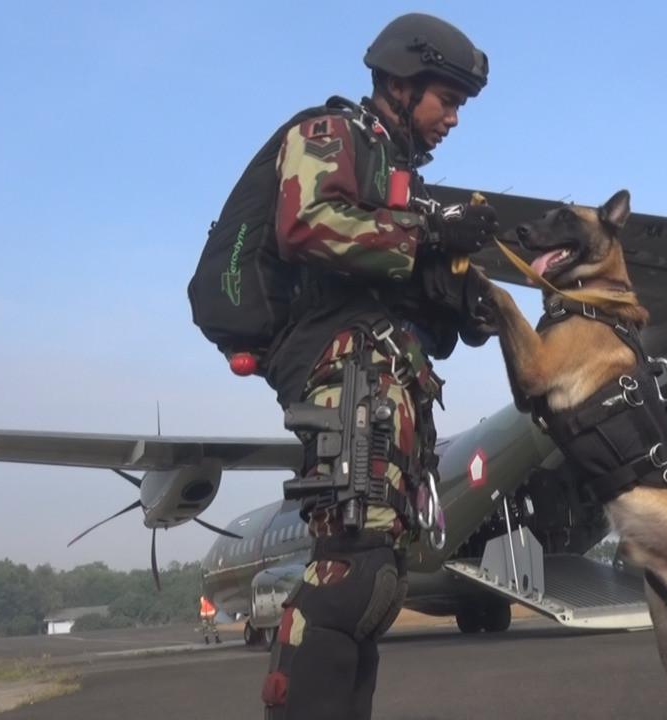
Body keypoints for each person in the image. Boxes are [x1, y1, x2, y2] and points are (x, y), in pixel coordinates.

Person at [253, 13, 498, 720]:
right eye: (445, 99)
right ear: (400, 81)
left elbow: (408, 282)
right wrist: (430, 231)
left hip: (393, 383)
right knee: (350, 573)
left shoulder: (401, 180)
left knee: (375, 582)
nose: (452, 117)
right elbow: (305, 224)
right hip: (349, 372)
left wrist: (465, 304)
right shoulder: (331, 136)